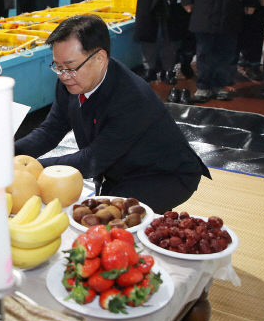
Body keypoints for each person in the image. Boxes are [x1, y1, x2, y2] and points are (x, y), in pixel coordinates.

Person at [15, 16, 210, 212]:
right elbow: (51, 129)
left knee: (107, 223)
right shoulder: (71, 80)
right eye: (57, 66)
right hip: (117, 167)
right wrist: (11, 153)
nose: (64, 75)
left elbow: (91, 160)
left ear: (100, 59)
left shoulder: (131, 98)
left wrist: (28, 169)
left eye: (71, 67)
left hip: (162, 175)